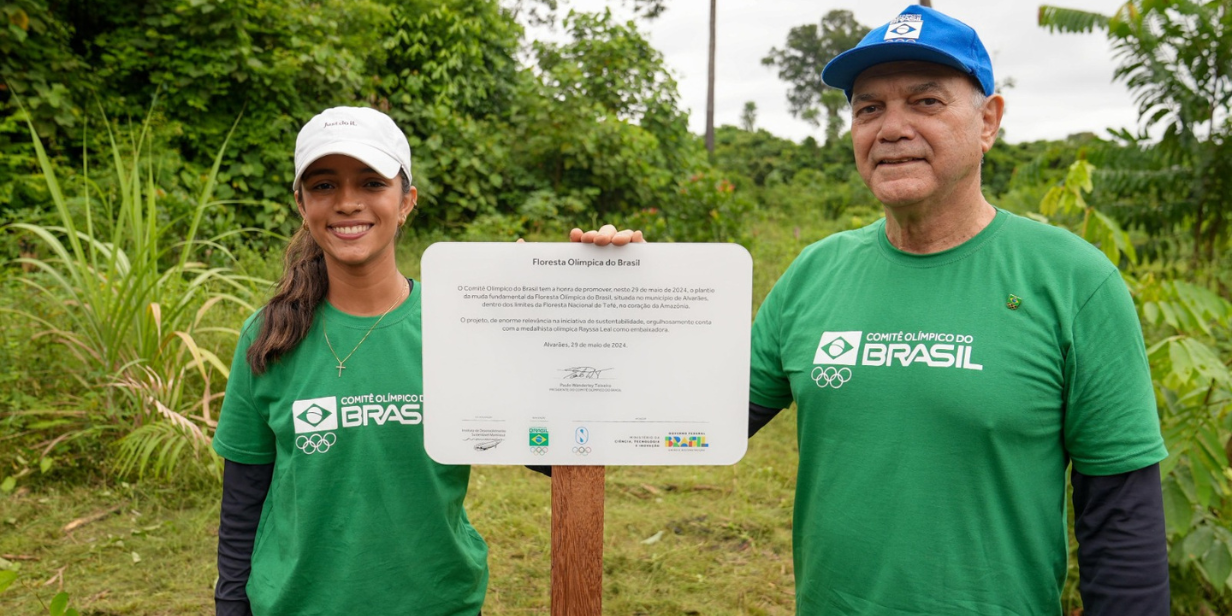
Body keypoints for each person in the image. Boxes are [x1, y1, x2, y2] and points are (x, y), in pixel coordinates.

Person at [577, 6, 1169, 615]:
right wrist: (627, 313)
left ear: (988, 119)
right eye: (868, 108)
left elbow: (1122, 522)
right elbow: (692, 420)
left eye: (926, 102)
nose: (891, 128)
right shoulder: (816, 271)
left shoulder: (1073, 281)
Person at [212, 107, 488, 616]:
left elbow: (554, 452)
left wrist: (600, 285)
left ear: (406, 201)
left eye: (370, 182)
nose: (346, 203)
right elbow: (244, 499)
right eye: (322, 186)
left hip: (437, 603)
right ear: (301, 203)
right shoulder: (269, 336)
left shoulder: (460, 325)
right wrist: (231, 607)